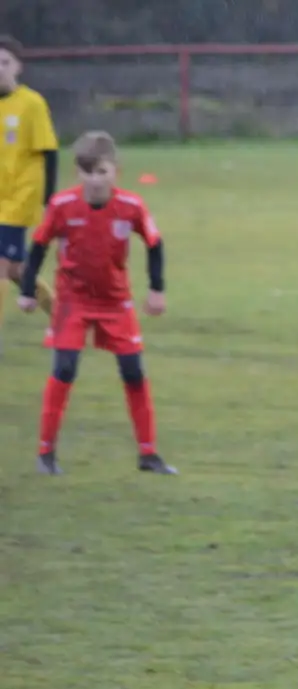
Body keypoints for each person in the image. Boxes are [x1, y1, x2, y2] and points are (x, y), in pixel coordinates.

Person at [19, 131, 175, 475]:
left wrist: (157, 289)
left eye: (101, 172)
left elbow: (154, 243)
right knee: (64, 368)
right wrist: (27, 289)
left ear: (115, 171)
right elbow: (39, 246)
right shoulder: (62, 206)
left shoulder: (131, 206)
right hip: (72, 301)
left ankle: (148, 454)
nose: (94, 180)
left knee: (133, 371)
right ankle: (46, 453)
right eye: (88, 172)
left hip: (115, 301)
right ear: (78, 173)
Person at [0, 33, 57, 340]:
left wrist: (49, 200)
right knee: (16, 269)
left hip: (20, 199)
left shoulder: (31, 104)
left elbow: (50, 151)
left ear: (18, 67)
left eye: (4, 62)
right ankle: (61, 317)